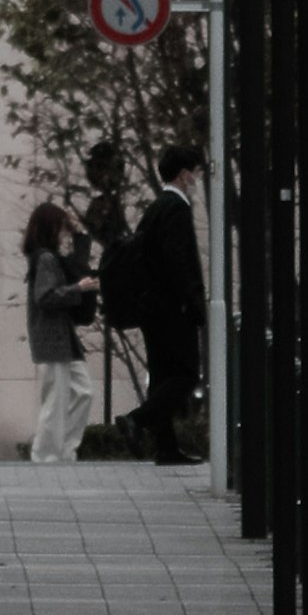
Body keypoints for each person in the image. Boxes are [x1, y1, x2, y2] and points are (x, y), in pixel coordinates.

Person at [110, 149, 209, 457]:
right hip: (173, 308)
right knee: (186, 373)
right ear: (183, 174)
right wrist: (193, 301)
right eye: (195, 172)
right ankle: (136, 420)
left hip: (151, 307)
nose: (196, 179)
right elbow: (178, 260)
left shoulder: (154, 208)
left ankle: (166, 448)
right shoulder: (176, 208)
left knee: (162, 374)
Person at [22, 200, 97, 467]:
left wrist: (78, 234)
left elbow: (76, 260)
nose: (64, 233)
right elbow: (45, 297)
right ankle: (46, 454)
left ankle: (62, 449)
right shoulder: (45, 258)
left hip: (57, 337)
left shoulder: (43, 257)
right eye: (61, 227)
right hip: (53, 336)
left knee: (81, 391)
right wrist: (78, 289)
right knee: (58, 396)